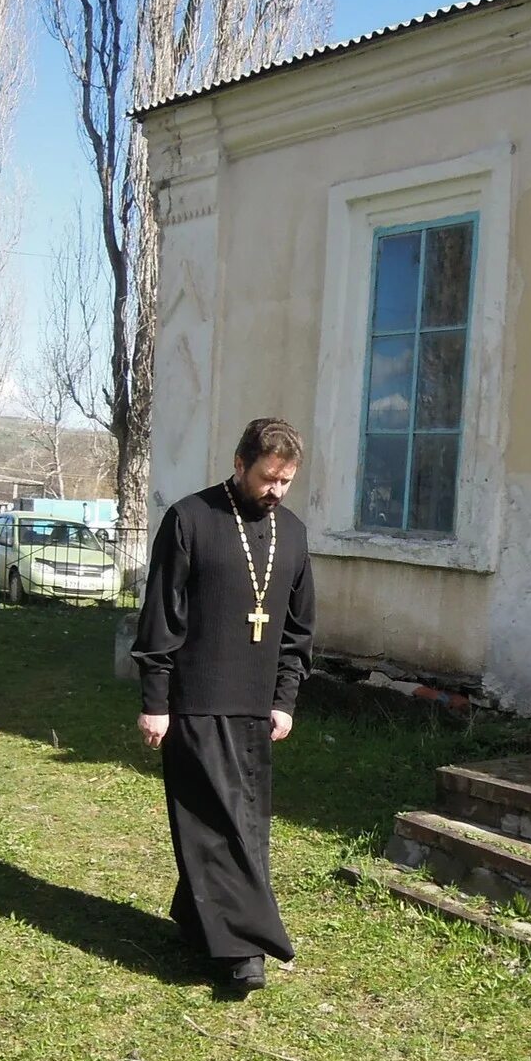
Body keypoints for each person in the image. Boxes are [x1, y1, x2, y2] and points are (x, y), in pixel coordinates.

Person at [133, 418, 317, 993]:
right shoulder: (190, 519)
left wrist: (285, 699)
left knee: (243, 822)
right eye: (268, 478)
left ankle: (198, 920)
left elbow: (298, 629)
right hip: (195, 700)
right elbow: (161, 617)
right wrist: (155, 701)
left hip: (257, 707)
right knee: (214, 823)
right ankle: (244, 950)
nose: (276, 492)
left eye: (286, 482)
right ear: (240, 465)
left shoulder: (293, 533)